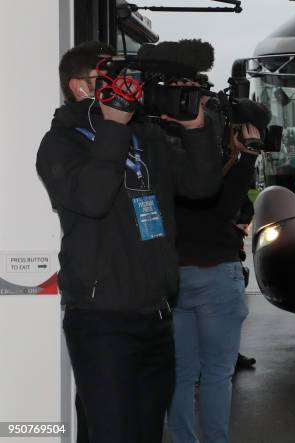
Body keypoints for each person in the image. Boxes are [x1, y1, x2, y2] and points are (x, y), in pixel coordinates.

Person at [36, 41, 222, 443]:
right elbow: (92, 198)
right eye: (113, 80)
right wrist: (113, 127)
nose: (129, 89)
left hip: (156, 317)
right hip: (102, 321)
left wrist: (196, 131)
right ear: (80, 87)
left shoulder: (148, 136)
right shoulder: (61, 142)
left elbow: (202, 185)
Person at [167, 109, 268, 443]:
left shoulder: (164, 154)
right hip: (216, 276)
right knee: (215, 374)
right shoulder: (216, 164)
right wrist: (246, 157)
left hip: (175, 276)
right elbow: (224, 209)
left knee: (180, 375)